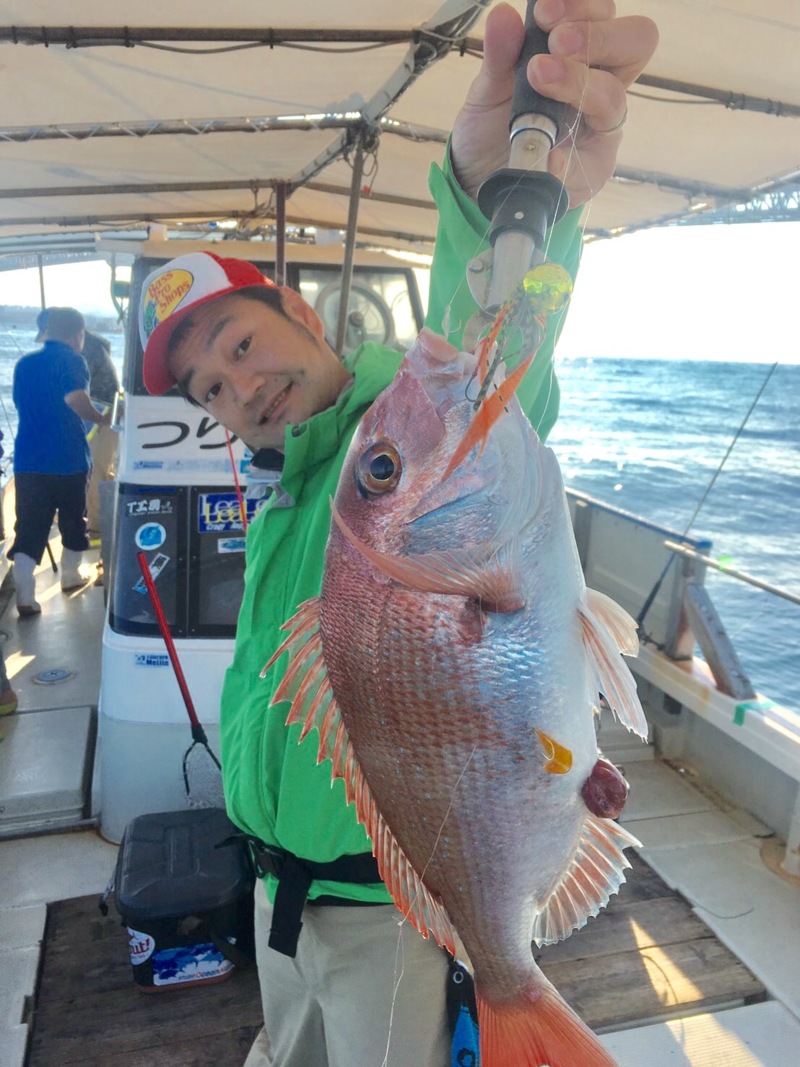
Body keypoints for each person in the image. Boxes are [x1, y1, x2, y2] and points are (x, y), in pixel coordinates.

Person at [138, 3, 659, 1063]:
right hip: (273, 889)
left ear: (296, 308)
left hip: (389, 903)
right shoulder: (283, 487)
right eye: (209, 385)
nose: (240, 384)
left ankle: (514, 988)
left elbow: (500, 339)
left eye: (242, 341)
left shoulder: (400, 447)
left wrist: (491, 196)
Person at [8, 306, 112, 616]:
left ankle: (25, 594)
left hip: (27, 459)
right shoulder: (72, 359)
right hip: (67, 460)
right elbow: (73, 398)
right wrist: (101, 419)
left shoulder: (24, 363)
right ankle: (70, 576)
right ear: (78, 335)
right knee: (72, 519)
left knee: (28, 525)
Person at [35, 309, 120, 538]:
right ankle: (103, 524)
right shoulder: (76, 347)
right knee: (100, 472)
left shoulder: (81, 351)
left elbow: (74, 395)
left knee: (94, 474)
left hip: (102, 415)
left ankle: (97, 533)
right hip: (102, 416)